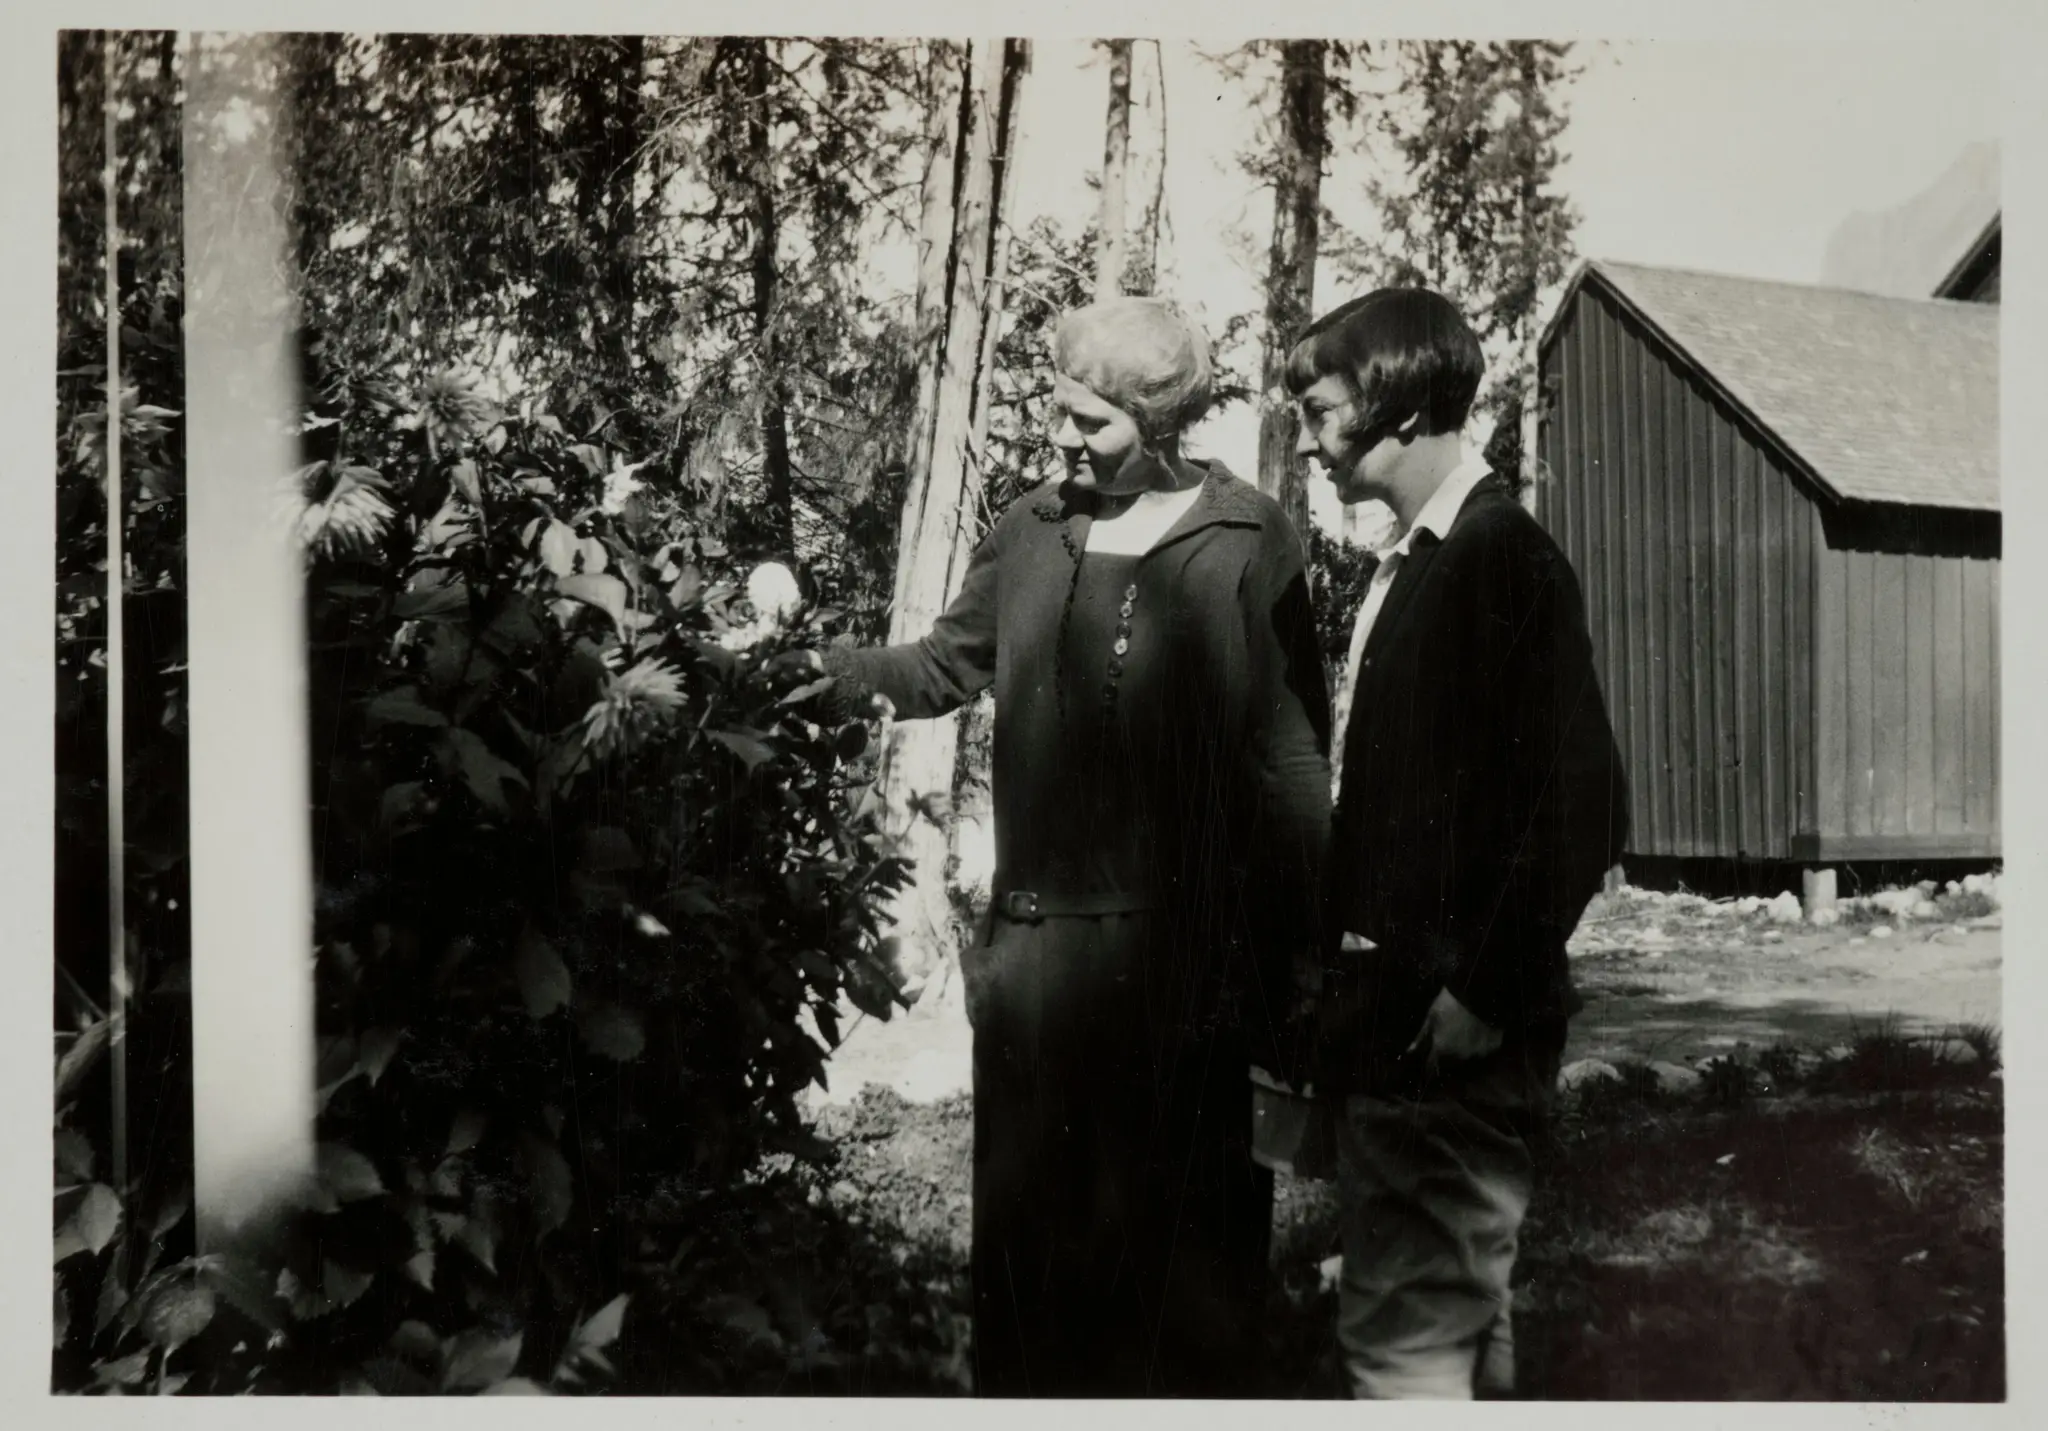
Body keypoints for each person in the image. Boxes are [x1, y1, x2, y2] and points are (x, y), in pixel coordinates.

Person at [801, 296, 1331, 1396]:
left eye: (1091, 422)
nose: (1064, 440)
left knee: (1183, 1294)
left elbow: (1287, 766)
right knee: (1035, 1291)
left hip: (1190, 973)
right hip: (1038, 969)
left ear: (1161, 414)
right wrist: (813, 674)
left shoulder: (1246, 539)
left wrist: (1295, 968)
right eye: (1058, 412)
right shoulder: (1029, 529)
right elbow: (941, 666)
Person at [1287, 288, 1628, 1399]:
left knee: (1406, 1348)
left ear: (1392, 410)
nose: (1305, 433)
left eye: (1319, 406)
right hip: (1398, 1020)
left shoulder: (1495, 558)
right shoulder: (1420, 558)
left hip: (1453, 1034)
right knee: (1450, 1338)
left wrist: (1485, 987)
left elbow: (1580, 804)